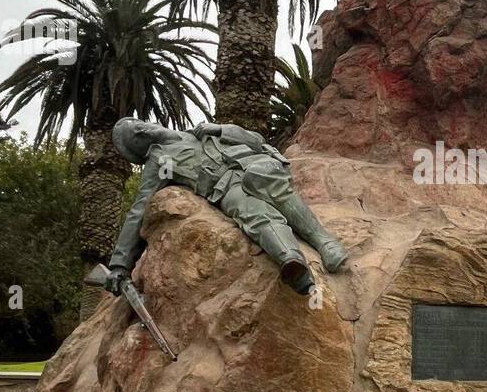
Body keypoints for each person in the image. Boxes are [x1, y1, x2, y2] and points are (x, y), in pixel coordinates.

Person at [105, 118, 347, 296]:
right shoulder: (159, 161)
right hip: (227, 188)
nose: (141, 129)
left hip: (256, 165)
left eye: (138, 124)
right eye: (135, 136)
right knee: (255, 215)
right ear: (140, 149)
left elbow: (255, 140)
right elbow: (139, 209)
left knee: (264, 180)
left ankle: (324, 242)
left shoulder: (199, 131)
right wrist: (119, 264)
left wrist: (219, 129)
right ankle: (293, 265)